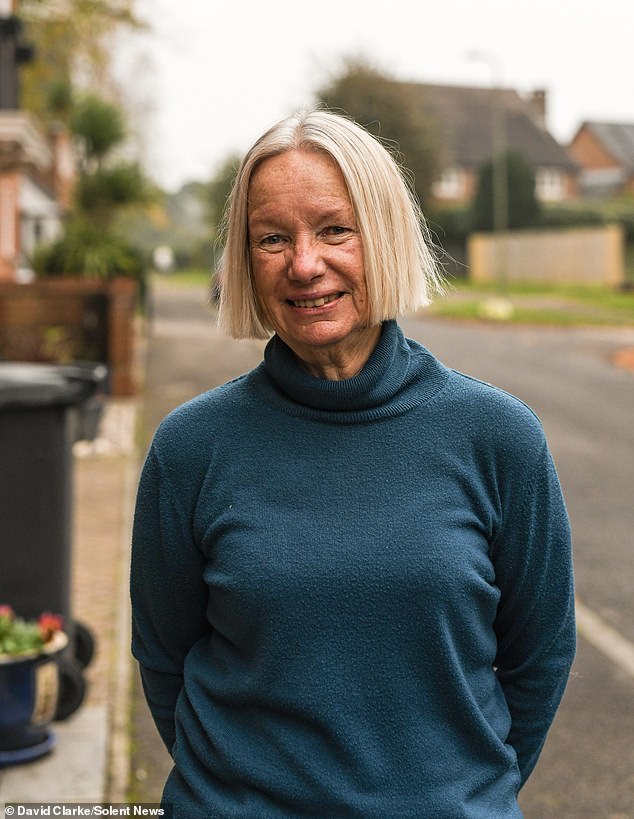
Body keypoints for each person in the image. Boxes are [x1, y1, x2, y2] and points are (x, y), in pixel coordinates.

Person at [131, 109, 575, 818]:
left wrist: (464, 794)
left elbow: (540, 655)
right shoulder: (190, 448)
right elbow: (163, 656)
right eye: (272, 238)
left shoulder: (499, 437)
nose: (305, 264)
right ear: (247, 260)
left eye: (335, 229)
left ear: (386, 234)